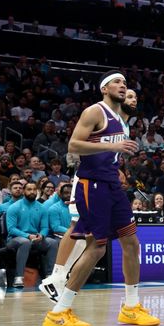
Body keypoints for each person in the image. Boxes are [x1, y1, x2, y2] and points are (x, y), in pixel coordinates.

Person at [42, 73, 158, 326]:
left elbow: (109, 151)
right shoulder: (95, 111)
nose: (123, 86)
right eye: (118, 83)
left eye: (126, 84)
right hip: (91, 185)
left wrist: (116, 165)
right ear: (105, 88)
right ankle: (59, 312)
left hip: (112, 186)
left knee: (131, 243)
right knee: (96, 248)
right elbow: (73, 145)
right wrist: (112, 148)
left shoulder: (120, 120)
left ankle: (131, 307)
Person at [39, 89, 138, 304]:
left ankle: (61, 277)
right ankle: (56, 276)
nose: (132, 99)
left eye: (135, 97)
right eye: (129, 96)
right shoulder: (101, 114)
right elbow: (75, 147)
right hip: (88, 181)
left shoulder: (124, 125)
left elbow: (111, 155)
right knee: (77, 225)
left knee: (90, 236)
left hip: (107, 181)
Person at [6, 181, 59, 287]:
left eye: (34, 189)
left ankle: (50, 276)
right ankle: (19, 277)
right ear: (24, 191)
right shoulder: (14, 207)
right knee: (25, 242)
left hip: (35, 238)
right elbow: (11, 229)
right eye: (29, 189)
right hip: (15, 239)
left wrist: (42, 235)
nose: (32, 192)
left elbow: (44, 227)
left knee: (52, 242)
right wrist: (28, 236)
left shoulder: (42, 207)